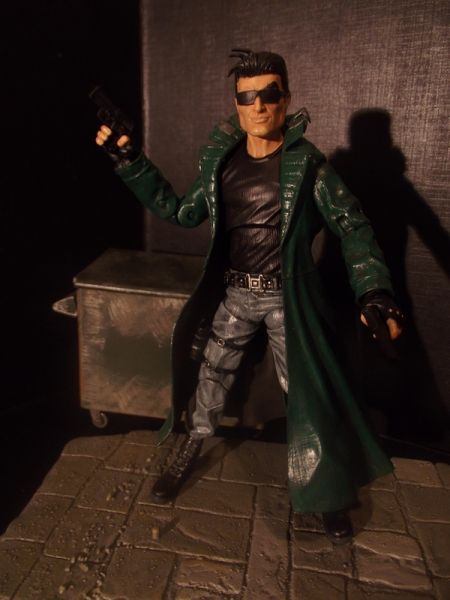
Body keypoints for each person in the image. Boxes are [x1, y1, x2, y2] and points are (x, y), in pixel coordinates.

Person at [95, 49, 403, 543]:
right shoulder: (223, 165)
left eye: (270, 94)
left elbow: (352, 226)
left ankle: (325, 492)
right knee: (212, 373)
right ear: (236, 105)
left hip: (288, 300)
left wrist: (375, 290)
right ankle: (191, 445)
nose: (259, 105)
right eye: (247, 96)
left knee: (306, 392)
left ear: (287, 98)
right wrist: (131, 161)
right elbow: (180, 211)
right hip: (237, 294)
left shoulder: (308, 168)